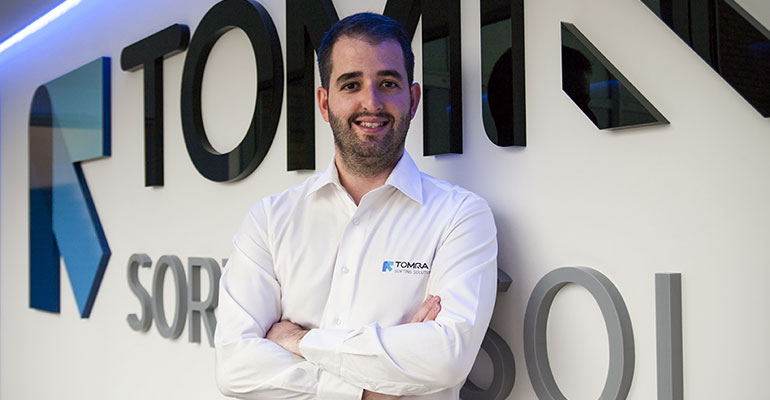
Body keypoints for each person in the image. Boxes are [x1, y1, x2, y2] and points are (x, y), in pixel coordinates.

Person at [214, 12, 498, 400]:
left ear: (412, 99)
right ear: (324, 101)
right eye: (351, 84)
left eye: (388, 83)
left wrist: (300, 341)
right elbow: (233, 366)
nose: (371, 102)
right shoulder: (270, 220)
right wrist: (373, 389)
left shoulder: (460, 217)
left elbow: (446, 359)